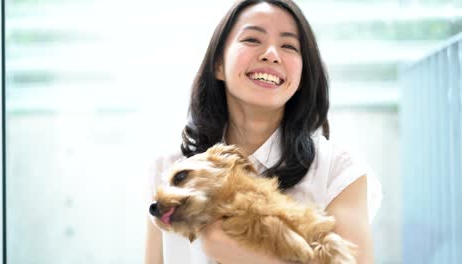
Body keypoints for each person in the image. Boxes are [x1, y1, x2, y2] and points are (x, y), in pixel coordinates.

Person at [144, 0, 382, 263]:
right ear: (218, 65)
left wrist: (240, 253)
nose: (271, 54)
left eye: (289, 46)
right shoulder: (167, 168)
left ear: (303, 74)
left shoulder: (339, 173)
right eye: (252, 39)